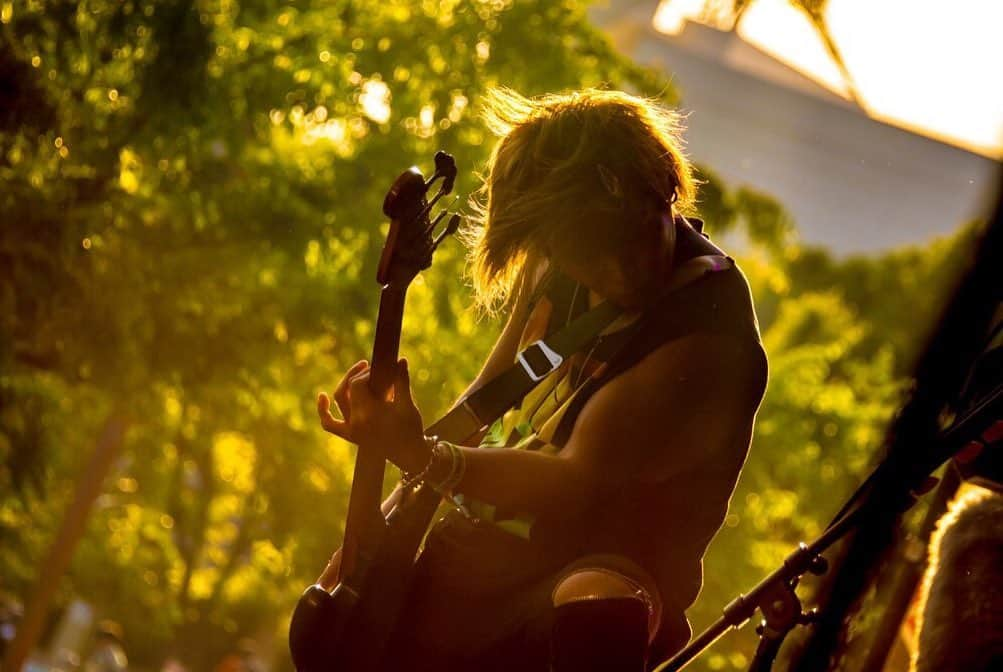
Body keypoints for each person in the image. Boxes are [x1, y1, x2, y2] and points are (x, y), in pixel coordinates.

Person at [316, 88, 768, 671]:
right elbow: (484, 404)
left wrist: (423, 454)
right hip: (478, 559)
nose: (614, 273)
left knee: (597, 598)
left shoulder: (710, 332)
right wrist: (388, 484)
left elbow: (573, 480)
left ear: (656, 190)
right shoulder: (553, 259)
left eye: (623, 243)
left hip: (590, 577)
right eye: (583, 253)